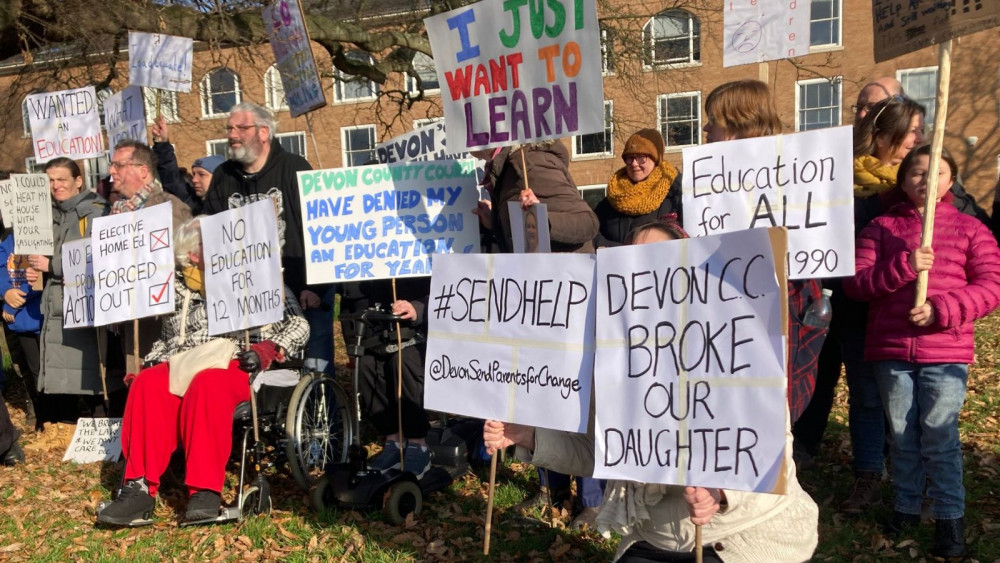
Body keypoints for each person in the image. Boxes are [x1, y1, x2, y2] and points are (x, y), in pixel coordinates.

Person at [483, 218, 819, 562]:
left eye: (659, 259)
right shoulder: (613, 358)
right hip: (654, 539)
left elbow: (769, 449)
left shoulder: (733, 342)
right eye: (632, 263)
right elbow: (595, 451)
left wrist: (720, 492)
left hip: (741, 531)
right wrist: (528, 435)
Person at [96, 217, 310, 526]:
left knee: (208, 384)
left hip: (240, 361)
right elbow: (170, 341)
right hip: (189, 361)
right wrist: (151, 362)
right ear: (192, 255)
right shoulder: (180, 290)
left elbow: (298, 324)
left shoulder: (257, 276)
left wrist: (266, 349)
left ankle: (204, 490)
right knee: (147, 384)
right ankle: (138, 488)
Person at [844, 145, 1000, 558]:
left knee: (939, 434)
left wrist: (941, 310)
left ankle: (949, 517)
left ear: (951, 181)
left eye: (938, 173)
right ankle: (907, 506)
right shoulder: (880, 227)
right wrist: (905, 266)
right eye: (916, 172)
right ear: (903, 179)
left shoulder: (971, 229)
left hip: (945, 351)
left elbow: (990, 287)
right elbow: (856, 284)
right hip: (891, 350)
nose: (925, 181)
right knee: (900, 435)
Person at [473, 140, 601, 527]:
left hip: (565, 309)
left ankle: (592, 501)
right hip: (537, 308)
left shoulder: (530, 160)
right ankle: (553, 489)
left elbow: (586, 222)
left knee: (577, 401)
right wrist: (494, 222)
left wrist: (544, 218)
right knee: (542, 395)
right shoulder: (503, 170)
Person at [700, 79, 827, 424]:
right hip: (724, 306)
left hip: (781, 304)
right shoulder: (706, 182)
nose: (705, 127)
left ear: (737, 123)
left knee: (772, 412)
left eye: (713, 119)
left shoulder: (791, 174)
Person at [200, 102, 333, 377]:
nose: (232, 134)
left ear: (263, 132)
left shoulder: (295, 168)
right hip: (247, 300)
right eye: (229, 128)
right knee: (259, 376)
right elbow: (210, 232)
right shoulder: (224, 176)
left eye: (241, 127)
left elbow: (320, 230)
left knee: (315, 372)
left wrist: (316, 287)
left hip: (302, 293)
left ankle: (325, 418)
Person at [24, 158, 112, 418]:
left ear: (78, 181)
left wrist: (52, 265)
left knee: (90, 370)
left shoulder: (95, 210)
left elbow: (95, 252)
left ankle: (101, 424)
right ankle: (62, 424)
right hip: (53, 303)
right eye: (50, 180)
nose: (55, 186)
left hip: (82, 301)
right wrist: (35, 269)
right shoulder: (45, 212)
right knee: (62, 368)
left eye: (61, 179)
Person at [107, 140, 193, 374]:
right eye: (111, 165)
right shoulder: (117, 211)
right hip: (129, 318)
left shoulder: (170, 208)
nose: (111, 171)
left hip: (160, 323)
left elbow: (185, 262)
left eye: (118, 165)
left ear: (143, 171)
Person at [339, 279, 433, 476]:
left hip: (417, 331)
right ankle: (393, 442)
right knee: (366, 366)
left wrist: (418, 308)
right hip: (375, 332)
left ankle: (418, 445)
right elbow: (350, 301)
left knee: (403, 362)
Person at [593, 129, 682, 248]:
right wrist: (618, 250)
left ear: (656, 159)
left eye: (641, 157)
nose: (634, 163)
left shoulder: (675, 195)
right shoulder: (612, 199)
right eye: (629, 158)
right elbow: (593, 233)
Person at [0, 225, 43, 430]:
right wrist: (4, 294)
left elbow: (35, 277)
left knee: (42, 369)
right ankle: (36, 407)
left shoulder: (33, 234)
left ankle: (51, 415)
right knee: (24, 365)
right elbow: (3, 270)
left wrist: (11, 302)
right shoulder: (7, 241)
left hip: (37, 314)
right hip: (18, 322)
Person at [151, 116, 223, 215]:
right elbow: (172, 179)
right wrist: (162, 144)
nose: (194, 180)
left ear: (218, 178)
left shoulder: (232, 205)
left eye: (201, 175)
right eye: (194, 174)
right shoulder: (193, 205)